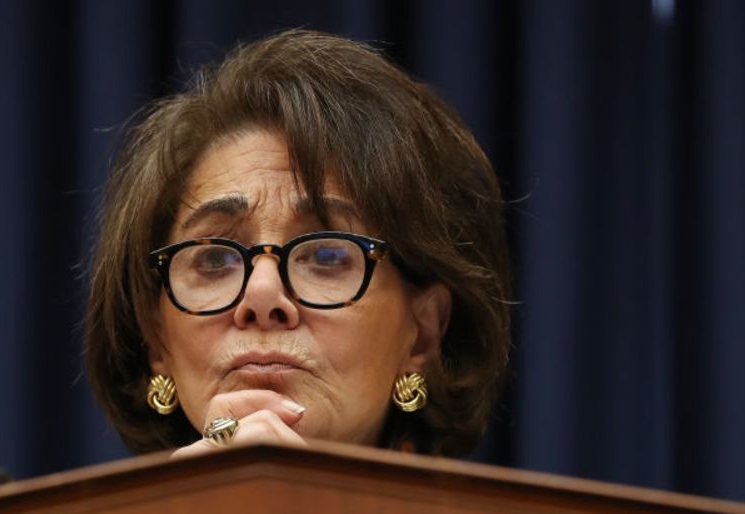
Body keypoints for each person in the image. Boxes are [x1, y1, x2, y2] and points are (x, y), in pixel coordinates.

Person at [86, 29, 511, 459]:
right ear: (157, 339)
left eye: (326, 255)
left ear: (422, 334)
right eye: (214, 258)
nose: (262, 294)